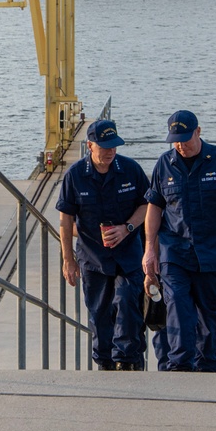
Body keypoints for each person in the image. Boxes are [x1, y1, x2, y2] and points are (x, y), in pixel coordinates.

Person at [143, 110, 216, 372]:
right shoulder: (164, 164)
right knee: (178, 310)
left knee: (211, 319)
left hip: (212, 254)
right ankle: (179, 368)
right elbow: (154, 207)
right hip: (175, 253)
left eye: (185, 138)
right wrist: (150, 250)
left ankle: (207, 370)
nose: (180, 145)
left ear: (198, 131)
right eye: (175, 140)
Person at [56, 119, 150, 371]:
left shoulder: (130, 170)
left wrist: (128, 227)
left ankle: (128, 361)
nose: (109, 152)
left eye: (114, 147)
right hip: (93, 259)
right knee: (99, 315)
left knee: (127, 302)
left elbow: (147, 205)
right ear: (89, 145)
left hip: (128, 256)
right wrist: (68, 260)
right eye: (104, 147)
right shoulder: (75, 176)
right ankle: (106, 364)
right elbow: (65, 221)